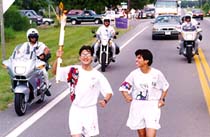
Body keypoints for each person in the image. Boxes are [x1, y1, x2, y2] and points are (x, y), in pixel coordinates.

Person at [52, 45, 113, 137]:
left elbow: (108, 91)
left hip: (90, 111)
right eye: (83, 55)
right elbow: (55, 72)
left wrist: (105, 100)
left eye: (88, 54)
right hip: (75, 109)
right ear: (80, 57)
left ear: (92, 57)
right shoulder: (73, 70)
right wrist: (58, 59)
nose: (85, 57)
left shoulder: (97, 75)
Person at [119, 49, 169, 137]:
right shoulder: (134, 74)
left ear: (146, 61)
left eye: (139, 58)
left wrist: (162, 99)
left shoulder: (157, 74)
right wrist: (126, 96)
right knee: (142, 135)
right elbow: (124, 87)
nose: (136, 60)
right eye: (136, 58)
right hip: (137, 106)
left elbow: (165, 87)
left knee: (151, 134)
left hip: (152, 106)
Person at [17, 28, 51, 96]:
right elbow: (19, 52)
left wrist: (43, 54)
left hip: (38, 62)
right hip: (27, 63)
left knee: (44, 72)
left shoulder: (40, 44)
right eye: (32, 37)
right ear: (28, 37)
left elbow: (47, 49)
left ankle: (46, 87)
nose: (33, 38)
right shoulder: (25, 45)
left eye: (35, 37)